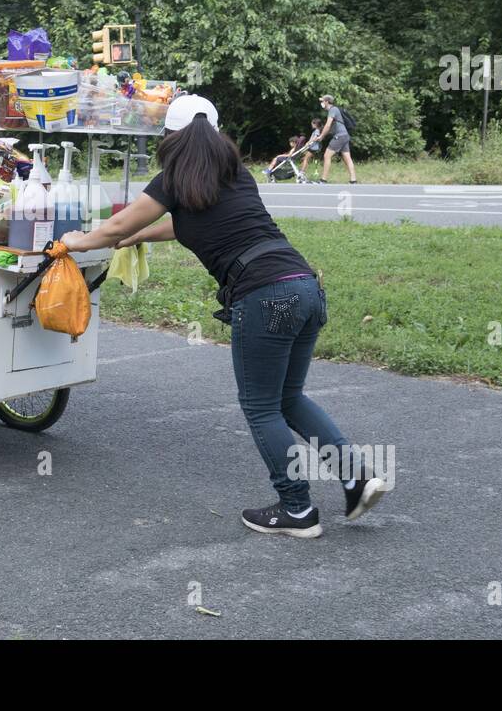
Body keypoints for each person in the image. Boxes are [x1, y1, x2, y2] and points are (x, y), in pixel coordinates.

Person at [61, 94, 389, 538]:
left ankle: (296, 510)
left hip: (264, 298)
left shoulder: (172, 179)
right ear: (215, 132)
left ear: (170, 137)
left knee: (260, 407)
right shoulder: (237, 175)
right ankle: (357, 477)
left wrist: (82, 240)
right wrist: (132, 239)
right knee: (288, 399)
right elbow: (184, 224)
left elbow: (118, 223)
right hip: (305, 286)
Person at [316, 95, 357, 184]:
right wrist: (322, 135)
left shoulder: (332, 110)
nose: (321, 103)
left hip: (340, 136)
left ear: (327, 102)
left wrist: (321, 137)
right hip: (345, 135)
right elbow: (330, 128)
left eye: (322, 101)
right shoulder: (335, 110)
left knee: (327, 156)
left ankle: (323, 180)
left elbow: (327, 125)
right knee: (347, 158)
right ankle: (353, 180)